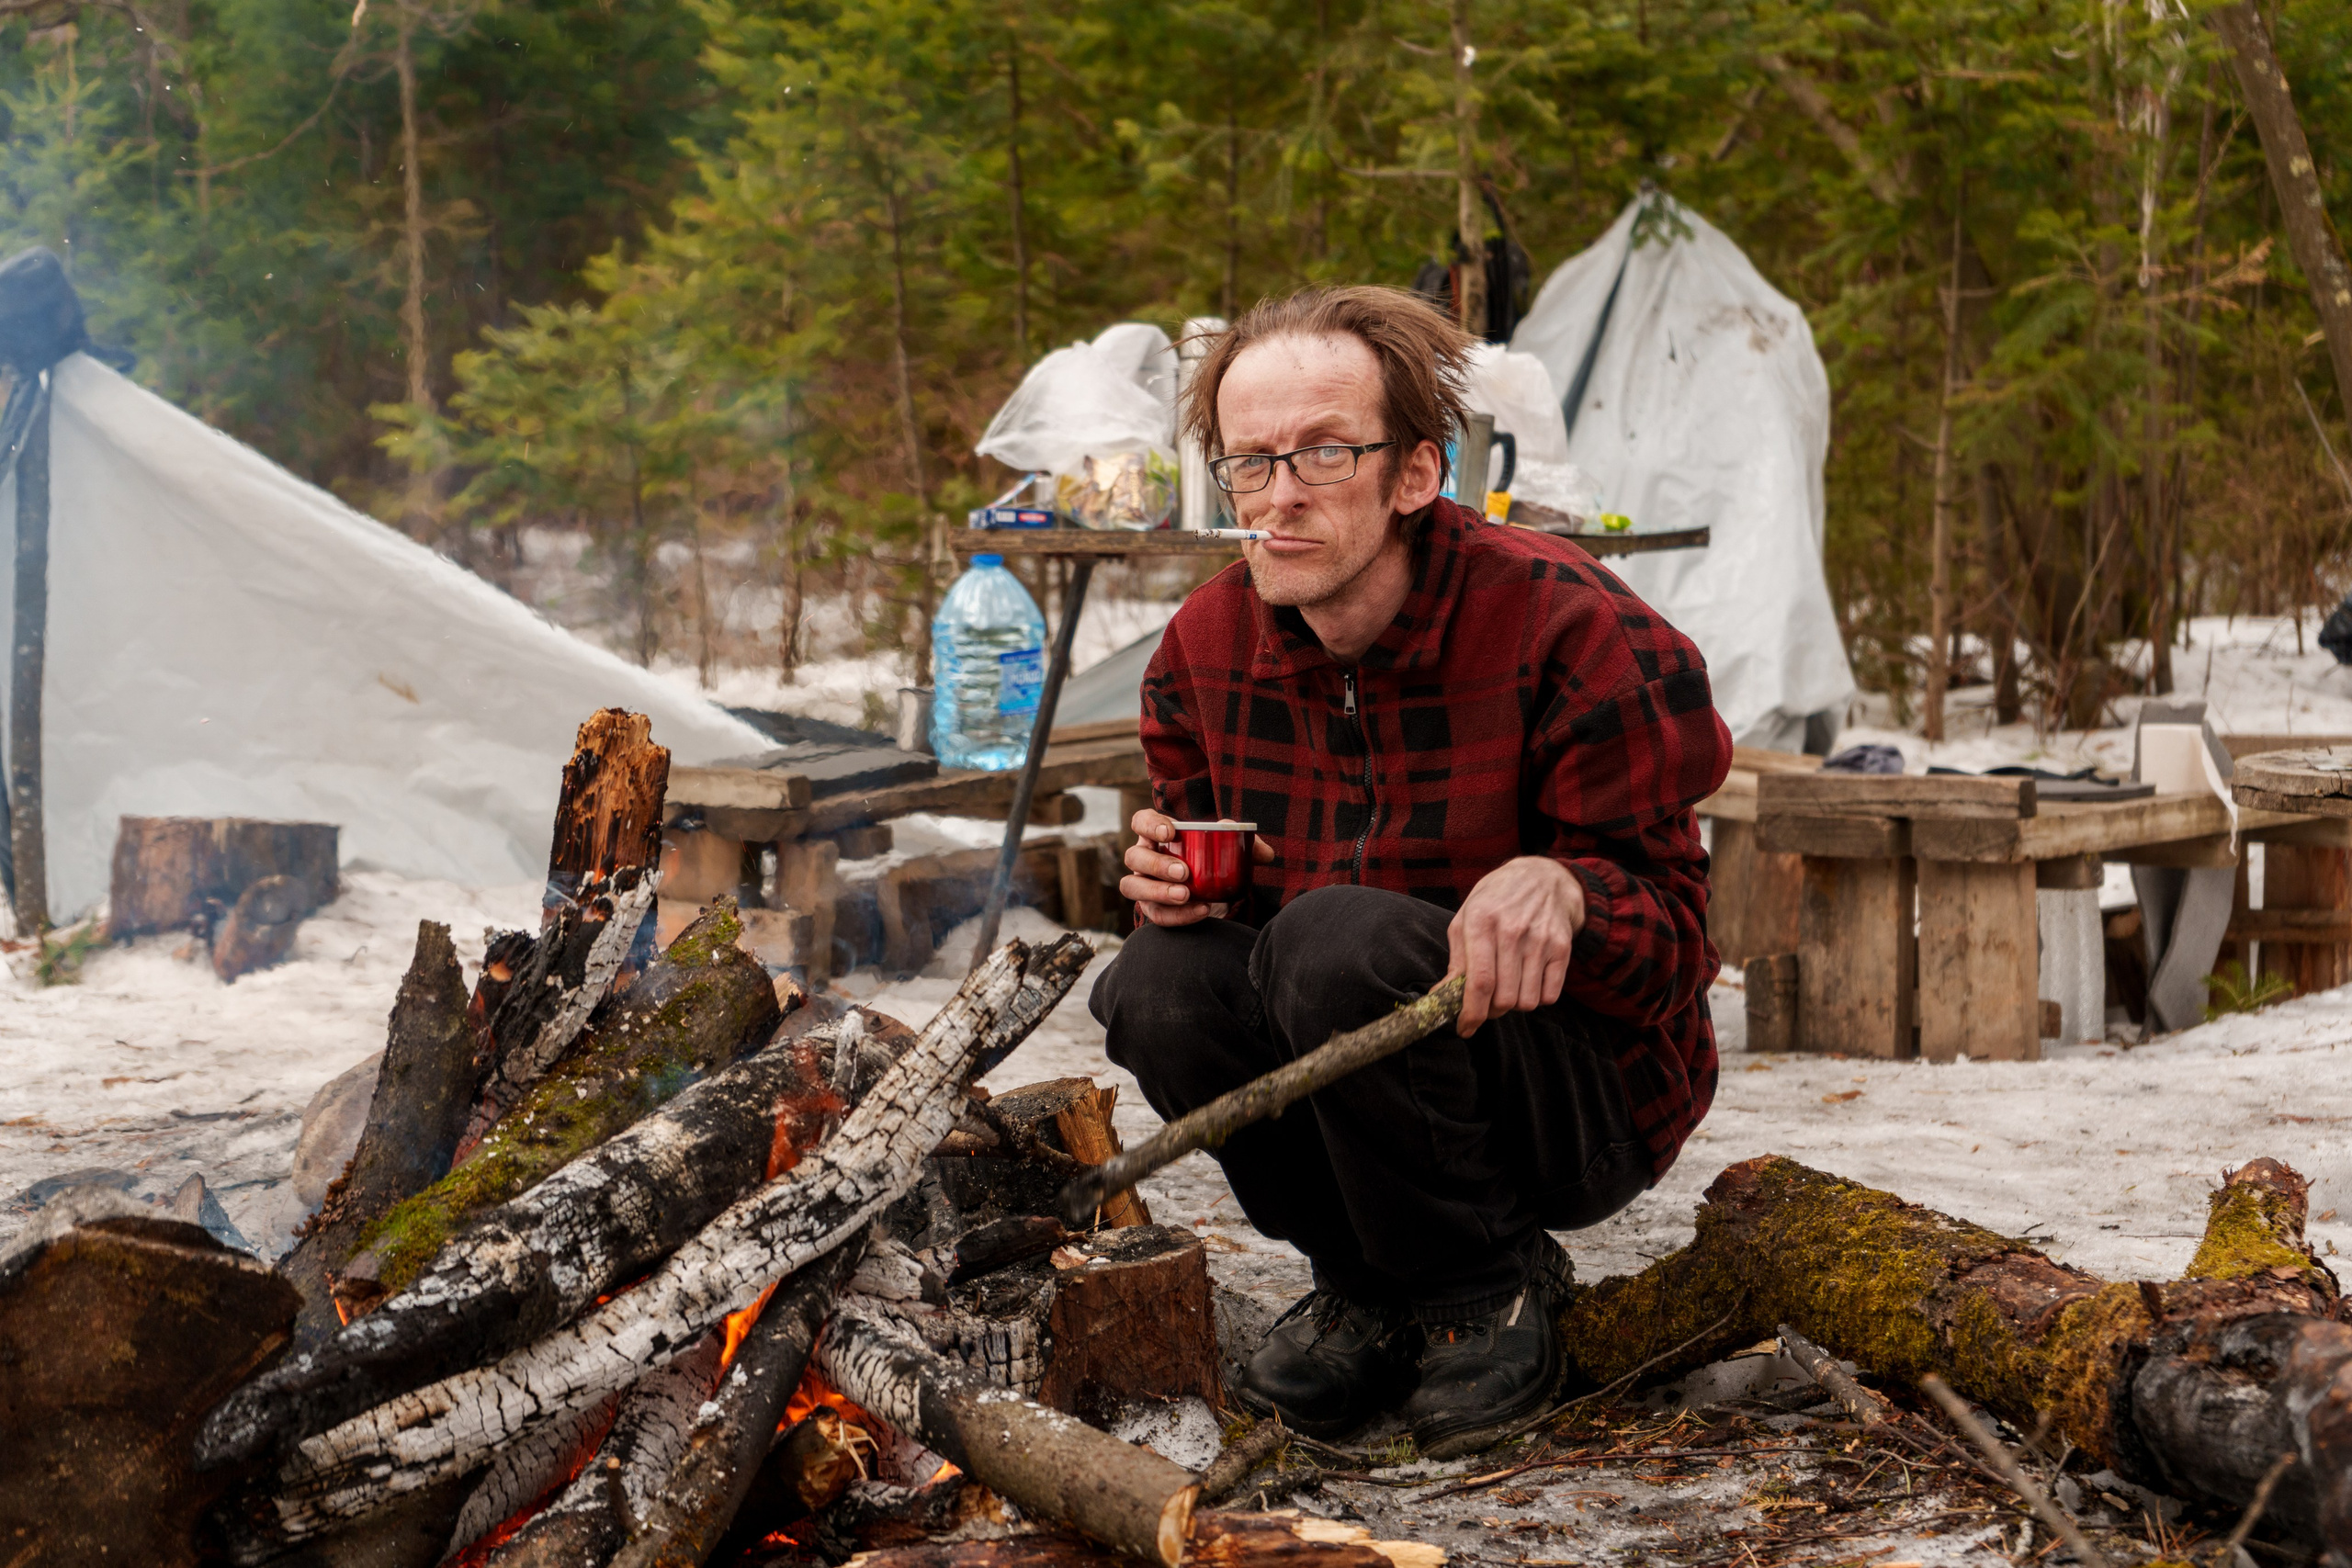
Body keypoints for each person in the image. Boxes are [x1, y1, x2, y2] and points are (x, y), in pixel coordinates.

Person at [1089, 285, 1733, 1460]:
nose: (1280, 497)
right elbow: (1235, 930)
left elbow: (1681, 955)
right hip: (1353, 1083)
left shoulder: (1572, 629)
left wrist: (1572, 889)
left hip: (1576, 1091)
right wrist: (1177, 883)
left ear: (1415, 474)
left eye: (1326, 455)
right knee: (1157, 981)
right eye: (1250, 463)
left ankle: (1486, 1287)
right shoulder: (1202, 649)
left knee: (1338, 941)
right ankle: (1362, 1282)